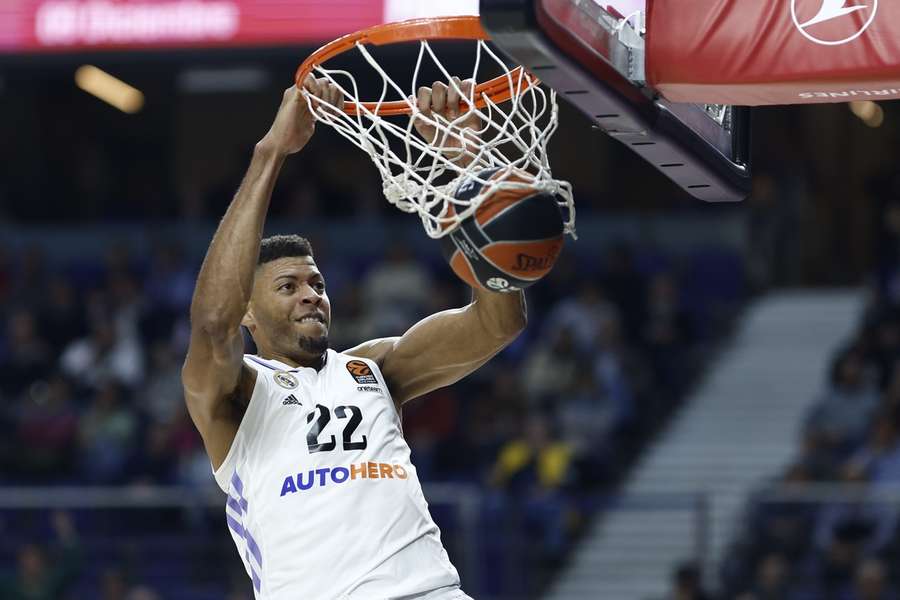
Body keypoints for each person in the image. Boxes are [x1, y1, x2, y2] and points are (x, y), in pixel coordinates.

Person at [181, 76, 527, 599]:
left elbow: (500, 320)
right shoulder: (235, 394)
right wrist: (273, 150)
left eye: (317, 283)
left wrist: (468, 173)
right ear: (247, 312)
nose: (310, 295)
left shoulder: (375, 368)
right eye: (288, 286)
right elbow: (211, 326)